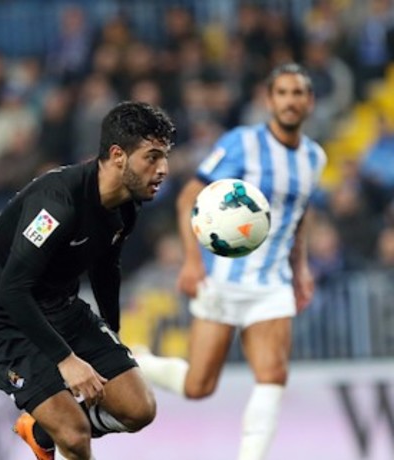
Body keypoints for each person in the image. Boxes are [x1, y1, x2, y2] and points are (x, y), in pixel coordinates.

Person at [0, 101, 175, 460]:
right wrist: (67, 360)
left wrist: (113, 336)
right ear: (118, 155)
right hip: (0, 318)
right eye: (152, 157)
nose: (163, 169)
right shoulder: (57, 202)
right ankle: (54, 429)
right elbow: (11, 289)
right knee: (74, 436)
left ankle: (40, 429)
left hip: (59, 306)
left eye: (165, 157)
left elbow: (105, 269)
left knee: (140, 409)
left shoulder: (126, 206)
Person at [134, 63, 326, 460]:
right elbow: (188, 196)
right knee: (198, 386)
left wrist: (301, 268)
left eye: (298, 93)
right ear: (269, 100)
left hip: (272, 283)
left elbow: (300, 213)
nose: (290, 101)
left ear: (310, 102)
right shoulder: (242, 143)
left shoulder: (314, 157)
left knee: (273, 376)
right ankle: (137, 360)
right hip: (224, 277)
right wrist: (192, 262)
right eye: (282, 93)